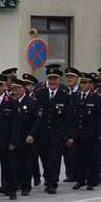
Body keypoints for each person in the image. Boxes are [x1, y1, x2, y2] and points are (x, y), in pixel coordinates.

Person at [29, 65, 72, 194]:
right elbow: (36, 115)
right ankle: (47, 179)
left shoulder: (65, 95)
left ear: (59, 80)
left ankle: (53, 183)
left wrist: (69, 135)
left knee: (55, 159)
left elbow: (69, 118)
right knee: (45, 159)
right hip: (42, 134)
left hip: (57, 134)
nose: (52, 81)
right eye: (50, 79)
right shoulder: (40, 94)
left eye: (55, 79)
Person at [67, 73, 101, 190]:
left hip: (92, 135)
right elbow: (71, 118)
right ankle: (80, 179)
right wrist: (70, 135)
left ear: (91, 84)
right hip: (78, 134)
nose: (82, 85)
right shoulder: (75, 96)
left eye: (85, 83)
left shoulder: (98, 98)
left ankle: (91, 181)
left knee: (92, 159)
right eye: (81, 82)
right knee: (78, 158)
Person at [10, 79, 35, 196]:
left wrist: (32, 134)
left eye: (18, 88)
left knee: (26, 163)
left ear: (24, 89)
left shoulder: (31, 102)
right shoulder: (11, 102)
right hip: (14, 138)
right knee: (15, 163)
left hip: (26, 138)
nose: (15, 91)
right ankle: (16, 184)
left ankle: (26, 187)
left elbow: (37, 120)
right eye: (14, 89)